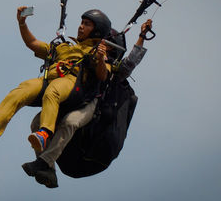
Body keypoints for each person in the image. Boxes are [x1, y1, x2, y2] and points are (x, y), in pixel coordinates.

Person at [0, 6, 112, 152]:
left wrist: (99, 57)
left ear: (97, 32)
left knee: (53, 90)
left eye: (87, 24)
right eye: (81, 23)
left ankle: (44, 133)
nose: (80, 27)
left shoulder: (96, 52)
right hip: (49, 80)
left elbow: (102, 75)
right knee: (22, 89)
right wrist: (22, 24)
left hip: (71, 84)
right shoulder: (64, 47)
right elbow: (32, 43)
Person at [22, 19, 153, 188]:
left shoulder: (113, 69)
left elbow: (131, 62)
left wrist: (142, 36)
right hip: (74, 101)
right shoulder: (85, 59)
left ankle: (44, 162)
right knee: (36, 123)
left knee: (70, 122)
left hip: (93, 108)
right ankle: (48, 169)